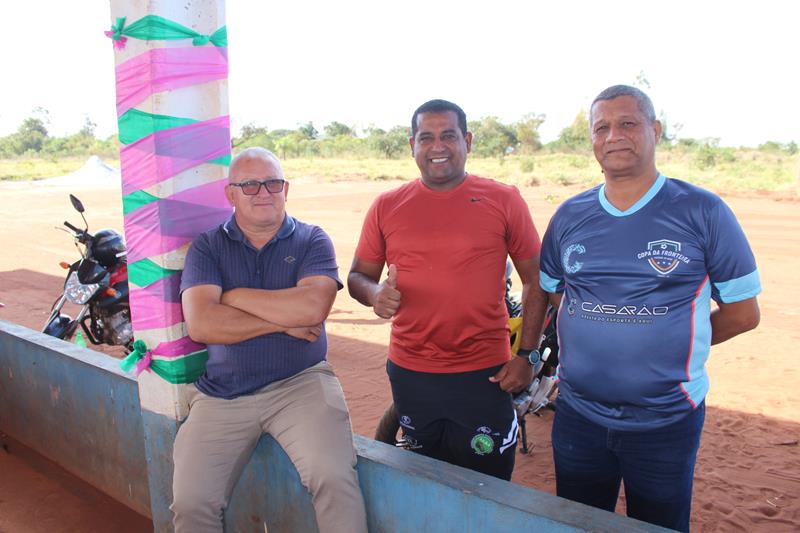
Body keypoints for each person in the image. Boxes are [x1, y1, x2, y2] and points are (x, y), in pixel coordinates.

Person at [539, 85, 761, 532]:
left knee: (660, 523)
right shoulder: (569, 215)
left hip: (666, 420)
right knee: (580, 522)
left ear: (655, 131)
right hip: (579, 416)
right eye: (602, 127)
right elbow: (558, 295)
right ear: (591, 141)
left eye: (628, 123)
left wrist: (675, 339)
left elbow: (743, 313)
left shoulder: (702, 211)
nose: (614, 135)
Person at [348, 99, 548, 480]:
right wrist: (375, 295)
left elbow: (535, 279)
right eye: (426, 137)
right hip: (411, 372)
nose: (437, 146)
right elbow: (359, 275)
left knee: (488, 483)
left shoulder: (503, 199)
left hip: (485, 373)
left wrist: (528, 355)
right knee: (423, 477)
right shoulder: (387, 205)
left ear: (467, 141)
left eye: (448, 136)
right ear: (412, 145)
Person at [172, 148, 367, 533]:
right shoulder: (208, 246)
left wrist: (233, 295)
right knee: (191, 501)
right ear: (230, 194)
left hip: (302, 383)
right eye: (249, 184)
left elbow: (312, 307)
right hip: (222, 394)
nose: (263, 192)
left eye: (273, 183)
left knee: (334, 480)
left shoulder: (312, 239)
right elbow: (203, 324)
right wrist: (281, 323)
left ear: (286, 189)